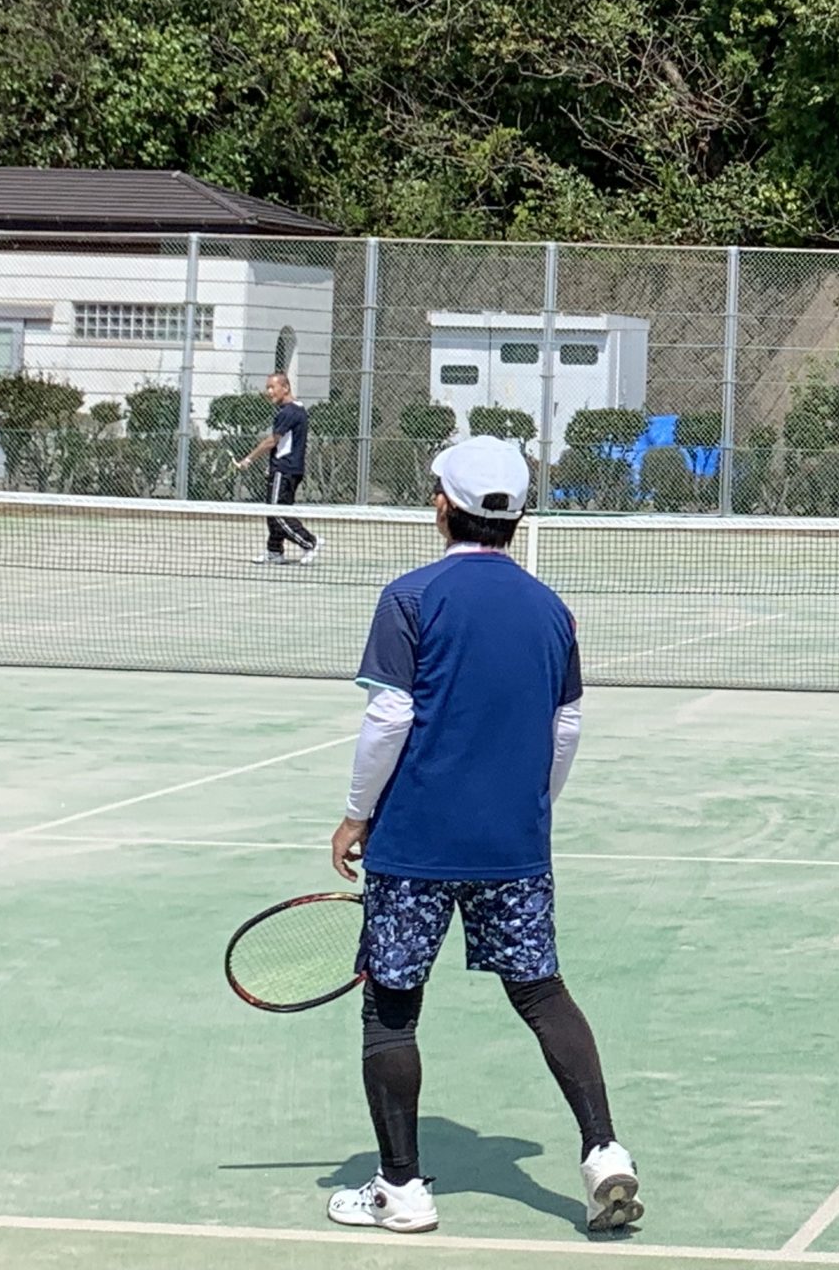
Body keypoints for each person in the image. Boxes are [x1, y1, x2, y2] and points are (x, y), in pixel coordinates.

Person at [323, 435, 640, 1237]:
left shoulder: (410, 599)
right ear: (517, 515)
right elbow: (565, 728)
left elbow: (389, 716)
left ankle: (402, 1189)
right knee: (541, 992)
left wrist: (357, 812)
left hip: (414, 844)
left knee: (392, 1009)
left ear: (441, 506)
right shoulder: (551, 610)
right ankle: (604, 1150)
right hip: (514, 845)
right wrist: (532, 807)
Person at [233, 369, 319, 564]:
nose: (269, 392)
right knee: (274, 513)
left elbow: (272, 441)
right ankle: (274, 551)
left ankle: (309, 542)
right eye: (267, 388)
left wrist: (248, 459)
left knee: (277, 512)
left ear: (285, 387)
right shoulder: (298, 409)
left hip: (285, 469)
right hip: (287, 468)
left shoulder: (288, 412)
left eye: (272, 387)